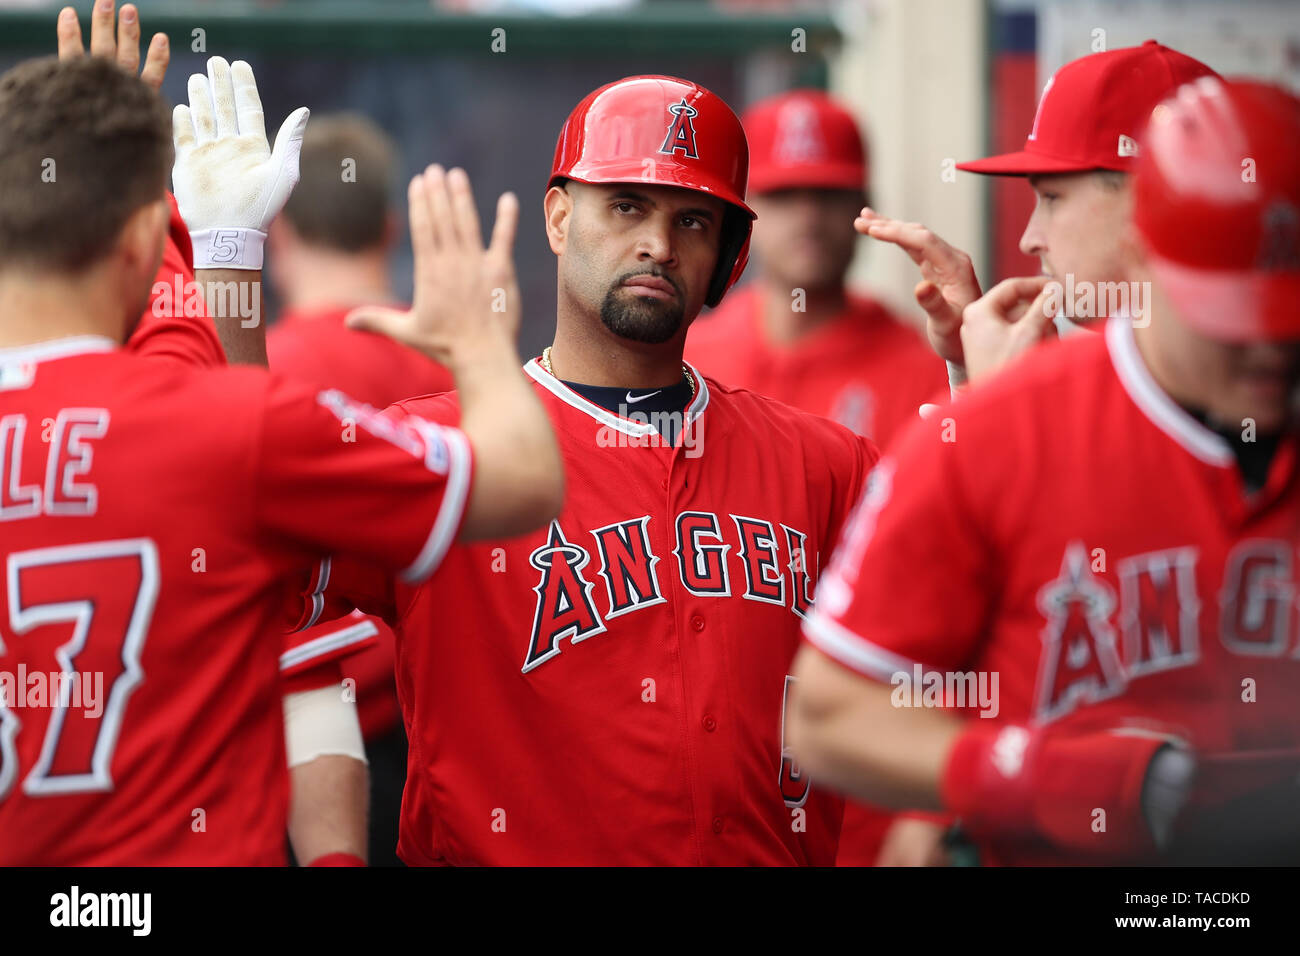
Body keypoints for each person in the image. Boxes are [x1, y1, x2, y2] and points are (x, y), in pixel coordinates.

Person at [301, 75, 880, 865]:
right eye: (626, 207)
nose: (658, 245)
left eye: (693, 220)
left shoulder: (822, 461)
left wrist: (977, 387)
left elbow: (980, 607)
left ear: (727, 258)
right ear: (560, 216)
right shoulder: (441, 449)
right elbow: (243, 549)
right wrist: (227, 267)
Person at [0, 52, 561, 864]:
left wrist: (208, 240)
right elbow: (525, 479)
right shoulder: (222, 425)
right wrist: (474, 339)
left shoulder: (202, 414)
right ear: (141, 242)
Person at [787, 76, 1300, 865]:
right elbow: (825, 718)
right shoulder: (999, 430)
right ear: (1148, 245)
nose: (1268, 350)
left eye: (1288, 319)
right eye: (1232, 320)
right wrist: (1029, 775)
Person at [266, 112, 454, 865]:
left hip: (301, 736)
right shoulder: (461, 366)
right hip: (439, 732)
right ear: (389, 229)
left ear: (276, 233)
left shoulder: (252, 373)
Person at [858, 41, 1217, 389]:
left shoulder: (1243, 397)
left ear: (1155, 203)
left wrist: (1008, 399)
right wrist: (973, 365)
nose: (1029, 240)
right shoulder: (1134, 381)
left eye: (1052, 198)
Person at [685, 90, 945, 450]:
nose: (808, 219)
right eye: (783, 195)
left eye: (828, 194)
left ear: (865, 206)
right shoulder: (686, 358)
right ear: (743, 213)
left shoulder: (924, 374)